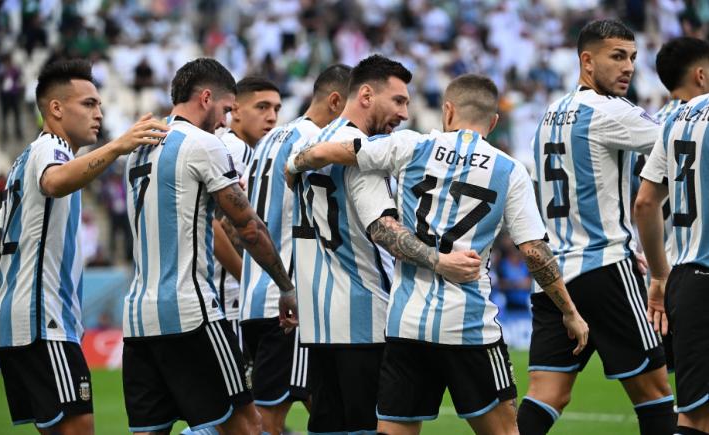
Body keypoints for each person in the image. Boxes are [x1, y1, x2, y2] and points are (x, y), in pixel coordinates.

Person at [288, 73, 588, 435]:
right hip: (468, 325)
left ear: (448, 111)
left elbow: (332, 150)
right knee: (506, 431)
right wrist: (569, 312)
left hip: (407, 323)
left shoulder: (412, 146)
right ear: (493, 122)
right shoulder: (509, 170)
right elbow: (534, 251)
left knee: (393, 431)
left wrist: (296, 163)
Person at [288, 54, 482, 434]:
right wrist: (441, 261)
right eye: (398, 101)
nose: (405, 113)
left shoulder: (313, 143)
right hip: (365, 317)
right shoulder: (363, 153)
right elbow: (382, 230)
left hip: (320, 320)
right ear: (365, 95)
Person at [0, 59, 168, 434]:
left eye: (99, 104)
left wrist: (11, 298)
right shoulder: (52, 149)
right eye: (88, 104)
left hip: (13, 320)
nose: (98, 113)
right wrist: (118, 147)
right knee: (80, 428)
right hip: (43, 321)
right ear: (55, 108)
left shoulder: (21, 162)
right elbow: (55, 182)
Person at [121, 58, 296, 435]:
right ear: (205, 98)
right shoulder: (203, 144)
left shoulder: (138, 148)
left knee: (150, 430)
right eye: (226, 109)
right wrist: (285, 286)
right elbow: (249, 227)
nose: (225, 121)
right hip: (190, 311)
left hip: (137, 318)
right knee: (248, 426)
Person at [519, 20, 675, 435]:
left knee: (547, 393)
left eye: (633, 58)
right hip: (605, 265)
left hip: (554, 276)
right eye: (617, 57)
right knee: (656, 393)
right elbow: (680, 142)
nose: (628, 68)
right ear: (586, 61)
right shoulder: (611, 111)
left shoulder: (549, 114)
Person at [239, 64, 351, 435]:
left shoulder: (270, 139)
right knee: (268, 421)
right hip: (289, 304)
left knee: (328, 403)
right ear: (336, 102)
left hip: (254, 299)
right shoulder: (311, 142)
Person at [635, 42, 709, 435]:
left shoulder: (672, 123)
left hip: (683, 277)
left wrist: (660, 277)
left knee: (695, 413)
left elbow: (645, 203)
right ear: (701, 74)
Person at [215, 76, 282, 334]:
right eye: (262, 107)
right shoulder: (235, 151)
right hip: (228, 299)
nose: (272, 117)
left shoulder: (248, 152)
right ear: (236, 110)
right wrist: (248, 280)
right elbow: (214, 225)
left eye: (276, 109)